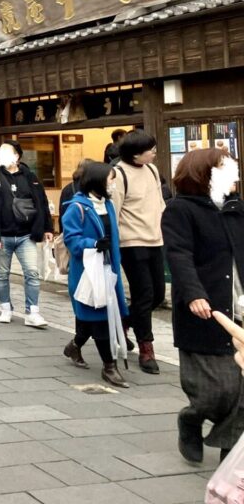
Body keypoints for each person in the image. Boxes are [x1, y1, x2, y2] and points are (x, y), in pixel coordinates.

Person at [164, 148, 244, 464]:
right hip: (206, 309)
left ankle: (232, 456)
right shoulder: (180, 210)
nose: (235, 174)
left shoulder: (236, 208)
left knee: (243, 392)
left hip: (240, 305)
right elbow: (179, 255)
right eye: (227, 168)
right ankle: (192, 419)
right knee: (216, 393)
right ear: (204, 173)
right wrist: (195, 294)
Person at [61, 162, 131, 388]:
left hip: (109, 268)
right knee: (98, 316)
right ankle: (109, 367)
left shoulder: (107, 204)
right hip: (88, 272)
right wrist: (93, 244)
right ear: (97, 181)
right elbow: (72, 240)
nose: (113, 184)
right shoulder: (77, 207)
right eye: (110, 179)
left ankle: (75, 345)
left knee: (96, 316)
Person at [111, 130, 166, 375]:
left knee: (157, 295)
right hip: (131, 242)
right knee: (144, 294)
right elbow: (114, 211)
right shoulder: (119, 173)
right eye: (150, 149)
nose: (155, 152)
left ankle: (123, 324)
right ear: (135, 153)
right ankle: (147, 348)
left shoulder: (153, 170)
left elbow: (159, 203)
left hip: (156, 239)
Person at [0, 141, 51, 328]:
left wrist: (47, 228)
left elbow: (42, 203)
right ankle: (6, 308)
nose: (1, 154)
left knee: (31, 272)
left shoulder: (30, 177)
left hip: (26, 235)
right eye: (0, 151)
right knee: (1, 274)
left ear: (17, 156)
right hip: (2, 236)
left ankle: (32, 312)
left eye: (6, 152)